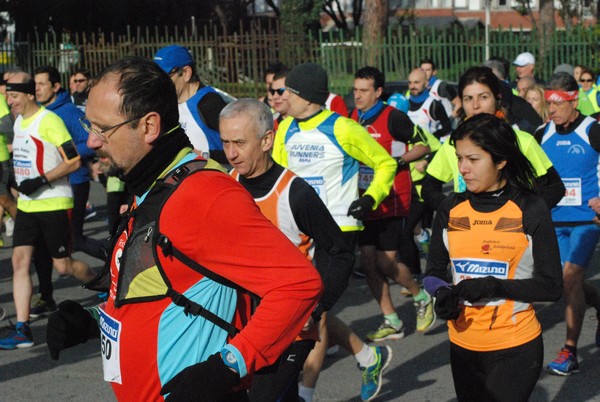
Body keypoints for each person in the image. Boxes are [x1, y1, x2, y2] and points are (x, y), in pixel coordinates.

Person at [45, 56, 323, 401]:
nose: (92, 143)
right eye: (90, 127)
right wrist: (92, 321)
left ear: (149, 127)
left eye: (102, 129)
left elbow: (298, 284)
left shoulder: (203, 194)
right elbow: (163, 294)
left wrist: (227, 366)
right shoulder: (156, 183)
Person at [221, 98, 391, 402]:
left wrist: (317, 308)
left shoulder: (294, 193)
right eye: (225, 143)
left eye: (239, 143)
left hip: (290, 328)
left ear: (266, 141)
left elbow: (339, 253)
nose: (231, 153)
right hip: (242, 325)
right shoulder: (227, 184)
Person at [425, 113, 563, 402]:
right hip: (462, 345)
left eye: (473, 160)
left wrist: (494, 286)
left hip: (515, 346)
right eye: (459, 158)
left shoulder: (530, 208)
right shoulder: (449, 209)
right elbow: (433, 271)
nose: (463, 169)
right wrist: (441, 294)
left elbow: (551, 286)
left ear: (500, 161)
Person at [0, 72, 96, 350]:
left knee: (63, 266)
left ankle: (106, 288)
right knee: (19, 262)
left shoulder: (50, 121)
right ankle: (22, 329)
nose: (10, 101)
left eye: (14, 96)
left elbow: (75, 160)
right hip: (29, 206)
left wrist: (41, 180)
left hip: (55, 203)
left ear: (30, 94)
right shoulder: (18, 122)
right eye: (8, 96)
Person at [350, 66, 435, 340]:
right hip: (365, 200)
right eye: (355, 90)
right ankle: (392, 320)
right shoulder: (352, 117)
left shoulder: (393, 118)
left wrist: (397, 162)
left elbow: (424, 146)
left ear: (378, 92)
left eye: (364, 91)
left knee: (385, 263)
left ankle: (420, 296)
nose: (358, 96)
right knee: (367, 261)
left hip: (393, 198)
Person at [421, 66, 564, 212]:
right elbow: (428, 188)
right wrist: (454, 212)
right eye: (468, 98)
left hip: (511, 232)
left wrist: (524, 216)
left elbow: (555, 188)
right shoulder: (455, 143)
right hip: (469, 232)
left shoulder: (522, 141)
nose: (475, 106)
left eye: (483, 97)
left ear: (497, 99)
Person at [537, 72, 600, 375]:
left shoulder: (592, 130)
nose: (552, 110)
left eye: (558, 103)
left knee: (570, 278)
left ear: (574, 100)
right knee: (567, 279)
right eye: (549, 103)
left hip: (588, 220)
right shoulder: (542, 133)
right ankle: (598, 300)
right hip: (554, 221)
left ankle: (570, 351)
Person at [153, 45, 228, 164]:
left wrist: (204, 155)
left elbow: (241, 150)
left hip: (219, 179)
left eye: (164, 77)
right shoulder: (166, 106)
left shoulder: (209, 104)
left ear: (186, 72)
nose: (159, 83)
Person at [406, 68, 453, 142]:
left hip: (430, 150)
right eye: (410, 83)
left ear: (426, 83)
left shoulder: (433, 105)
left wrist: (432, 138)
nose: (412, 86)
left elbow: (447, 127)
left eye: (416, 82)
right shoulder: (404, 103)